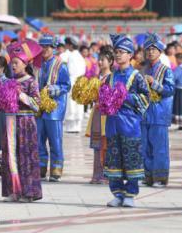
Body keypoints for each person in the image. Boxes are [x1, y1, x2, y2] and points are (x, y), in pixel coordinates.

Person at [104, 35, 150, 207]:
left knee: (131, 160)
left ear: (130, 55)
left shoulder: (137, 76)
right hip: (113, 125)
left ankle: (130, 194)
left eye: (122, 52)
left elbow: (146, 99)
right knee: (114, 160)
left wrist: (126, 97)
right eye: (116, 52)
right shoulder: (110, 76)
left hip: (130, 126)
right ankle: (117, 193)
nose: (118, 55)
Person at [2, 40, 42, 202]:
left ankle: (28, 192)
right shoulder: (9, 81)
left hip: (26, 122)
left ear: (25, 64)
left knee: (26, 156)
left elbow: (37, 105)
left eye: (16, 63)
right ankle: (14, 190)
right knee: (11, 156)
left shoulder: (31, 81)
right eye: (12, 63)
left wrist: (21, 95)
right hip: (11, 121)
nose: (13, 66)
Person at [140, 33, 175, 187]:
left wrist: (154, 83)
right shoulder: (143, 69)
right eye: (148, 49)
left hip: (159, 113)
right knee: (144, 145)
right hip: (144, 112)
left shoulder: (166, 70)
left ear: (160, 51)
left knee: (159, 147)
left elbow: (170, 89)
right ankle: (147, 176)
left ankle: (160, 177)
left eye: (154, 49)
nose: (150, 52)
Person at [36, 35, 71, 182]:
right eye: (42, 46)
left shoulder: (60, 65)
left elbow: (66, 85)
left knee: (55, 140)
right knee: (38, 139)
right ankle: (41, 168)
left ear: (53, 48)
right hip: (39, 108)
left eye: (47, 47)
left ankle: (56, 169)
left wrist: (52, 90)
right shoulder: (38, 65)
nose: (44, 49)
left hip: (54, 109)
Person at [85, 46, 113, 184]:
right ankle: (96, 174)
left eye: (103, 60)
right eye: (99, 59)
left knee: (105, 144)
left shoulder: (112, 78)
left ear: (111, 62)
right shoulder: (97, 77)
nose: (100, 62)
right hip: (97, 113)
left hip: (106, 115)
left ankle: (105, 174)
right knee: (97, 144)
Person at [64, 36, 86, 133]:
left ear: (70, 45)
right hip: (80, 81)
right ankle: (77, 126)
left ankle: (71, 126)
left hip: (72, 80)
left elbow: (69, 70)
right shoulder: (80, 56)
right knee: (77, 104)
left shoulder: (71, 56)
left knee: (72, 103)